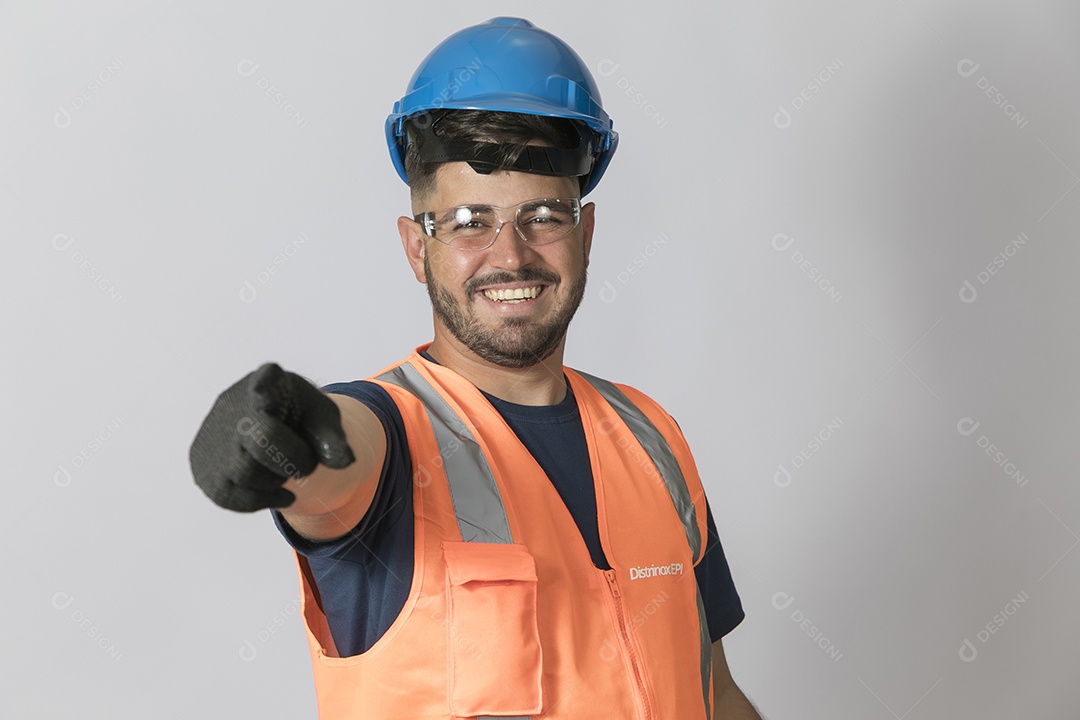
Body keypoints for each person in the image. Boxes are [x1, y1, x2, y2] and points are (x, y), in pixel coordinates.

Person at [190, 16, 762, 720]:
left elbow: (717, 695)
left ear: (584, 235)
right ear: (415, 248)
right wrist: (288, 443)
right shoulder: (387, 436)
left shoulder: (652, 437)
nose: (512, 255)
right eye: (467, 221)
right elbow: (337, 468)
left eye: (544, 216)